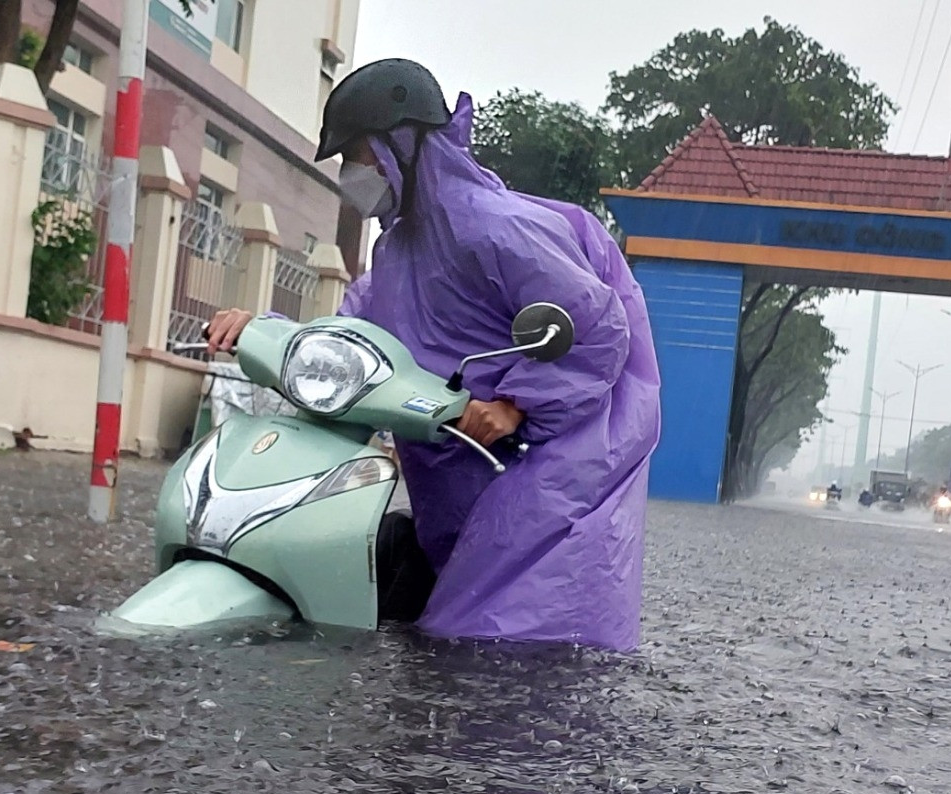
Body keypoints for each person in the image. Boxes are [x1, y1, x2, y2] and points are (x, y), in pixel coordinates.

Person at [205, 59, 661, 652]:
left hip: (537, 478)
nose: (352, 175)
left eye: (360, 156)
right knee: (439, 652)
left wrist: (516, 403)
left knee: (509, 660)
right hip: (456, 476)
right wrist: (262, 333)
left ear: (403, 147)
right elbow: (351, 343)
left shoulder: (498, 229)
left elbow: (596, 325)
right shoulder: (396, 253)